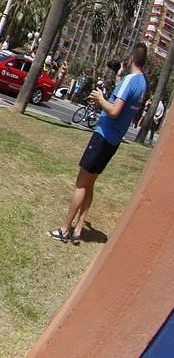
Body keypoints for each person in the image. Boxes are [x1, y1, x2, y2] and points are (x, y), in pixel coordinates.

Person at [50, 44, 149, 244]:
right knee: (90, 183)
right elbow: (126, 101)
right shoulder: (143, 83)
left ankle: (65, 230)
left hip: (103, 135)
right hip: (113, 141)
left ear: (131, 58)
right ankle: (79, 228)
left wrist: (100, 98)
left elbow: (114, 111)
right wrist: (119, 77)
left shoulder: (131, 80)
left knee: (81, 183)